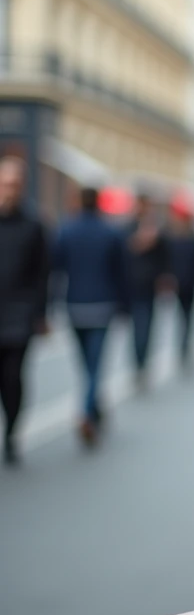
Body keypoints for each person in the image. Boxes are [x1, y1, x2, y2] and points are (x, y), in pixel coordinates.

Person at [54, 187, 128, 447]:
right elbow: (121, 271)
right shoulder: (111, 232)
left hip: (75, 304)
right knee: (95, 364)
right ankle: (88, 411)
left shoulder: (66, 230)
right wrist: (124, 306)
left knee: (85, 362)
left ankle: (91, 408)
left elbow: (56, 267)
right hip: (103, 305)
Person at [0, 158, 49, 466]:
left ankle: (11, 433)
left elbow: (42, 273)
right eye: (6, 183)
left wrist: (40, 313)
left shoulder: (33, 225)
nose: (10, 190)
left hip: (19, 315)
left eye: (15, 184)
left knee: (13, 378)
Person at [124, 194, 171, 392]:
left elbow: (165, 257)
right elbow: (122, 251)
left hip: (149, 285)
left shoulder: (157, 228)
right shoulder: (128, 228)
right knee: (136, 327)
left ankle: (142, 364)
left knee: (146, 327)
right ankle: (137, 363)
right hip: (132, 285)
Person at [166, 207, 194, 374]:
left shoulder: (174, 241)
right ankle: (185, 347)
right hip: (190, 284)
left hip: (180, 283)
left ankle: (183, 347)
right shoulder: (193, 241)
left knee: (182, 316)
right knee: (188, 317)